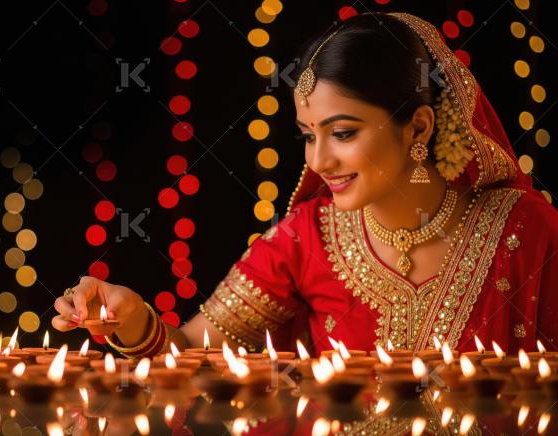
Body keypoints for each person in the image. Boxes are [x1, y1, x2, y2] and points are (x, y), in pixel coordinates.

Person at [52, 12, 558, 357]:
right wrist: (133, 318)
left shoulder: (528, 232)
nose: (320, 160)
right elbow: (187, 355)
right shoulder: (306, 236)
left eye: (343, 133)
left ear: (419, 127)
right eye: (308, 136)